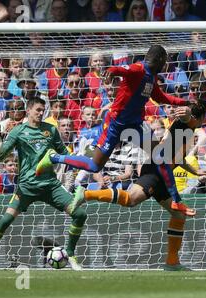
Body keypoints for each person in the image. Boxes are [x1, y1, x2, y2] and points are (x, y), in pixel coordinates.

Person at [36, 45, 196, 214]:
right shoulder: (138, 69)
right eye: (165, 62)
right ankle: (54, 157)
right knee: (94, 166)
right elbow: (120, 69)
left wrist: (185, 102)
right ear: (159, 60)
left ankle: (177, 201)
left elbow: (160, 97)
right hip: (115, 125)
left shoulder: (150, 78)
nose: (165, 66)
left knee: (160, 157)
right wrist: (111, 71)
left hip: (135, 125)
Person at [67, 102, 206, 270]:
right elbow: (184, 118)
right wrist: (186, 113)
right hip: (155, 171)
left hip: (163, 175)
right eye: (203, 117)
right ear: (199, 117)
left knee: (178, 216)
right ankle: (86, 194)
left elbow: (177, 158)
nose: (204, 120)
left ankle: (172, 262)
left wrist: (195, 171)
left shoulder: (189, 131)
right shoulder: (184, 125)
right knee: (131, 200)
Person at [0, 97, 87, 271]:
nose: (41, 113)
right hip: (26, 187)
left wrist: (80, 161)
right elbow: (1, 157)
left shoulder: (51, 130)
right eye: (38, 110)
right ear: (29, 110)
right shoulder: (18, 131)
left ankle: (70, 255)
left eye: (43, 110)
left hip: (50, 186)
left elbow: (64, 154)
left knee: (79, 214)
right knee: (5, 220)